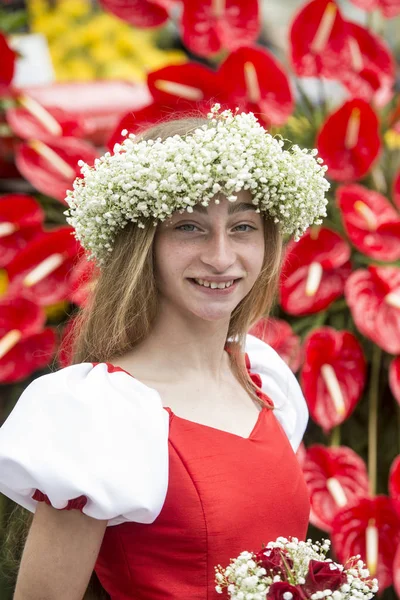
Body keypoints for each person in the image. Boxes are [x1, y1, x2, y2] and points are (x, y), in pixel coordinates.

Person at [0, 105, 329, 600]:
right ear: (143, 244)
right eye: (189, 227)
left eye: (242, 227)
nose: (221, 257)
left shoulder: (265, 380)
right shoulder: (100, 414)